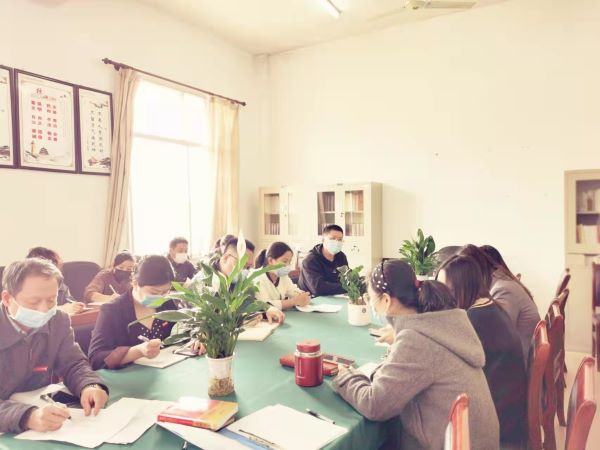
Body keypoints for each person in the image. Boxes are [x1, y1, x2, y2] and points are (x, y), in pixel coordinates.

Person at [332, 259, 499, 450]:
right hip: (474, 441)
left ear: (386, 300)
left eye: (370, 298)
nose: (370, 304)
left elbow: (375, 405)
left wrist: (346, 377)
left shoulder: (416, 340)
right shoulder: (440, 323)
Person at [0, 258, 108, 433]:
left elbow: (73, 363)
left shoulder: (58, 320)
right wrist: (27, 416)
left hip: (42, 411)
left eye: (51, 300)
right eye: (34, 302)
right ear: (6, 298)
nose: (44, 310)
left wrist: (90, 385)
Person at [437, 255, 527, 446]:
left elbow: (445, 363)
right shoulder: (488, 307)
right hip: (508, 412)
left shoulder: (475, 319)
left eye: (445, 290)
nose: (441, 297)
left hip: (498, 423)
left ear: (462, 287)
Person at [88, 255, 201, 370]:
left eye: (165, 292)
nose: (160, 297)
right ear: (135, 283)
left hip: (166, 372)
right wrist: (137, 351)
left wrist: (196, 339)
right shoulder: (112, 310)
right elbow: (95, 359)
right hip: (129, 376)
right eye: (154, 292)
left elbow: (183, 332)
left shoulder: (167, 304)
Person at [459, 244, 540, 361]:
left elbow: (498, 333)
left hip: (519, 360)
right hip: (522, 353)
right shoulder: (502, 282)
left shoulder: (503, 289)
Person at [191, 237, 285, 324]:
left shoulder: (238, 281)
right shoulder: (202, 281)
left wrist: (265, 310)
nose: (244, 270)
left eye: (248, 267)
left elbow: (248, 302)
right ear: (226, 258)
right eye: (242, 265)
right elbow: (201, 317)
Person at [26, 246, 85, 314]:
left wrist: (76, 306)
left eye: (59, 267)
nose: (59, 271)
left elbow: (70, 302)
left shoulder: (59, 285)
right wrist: (63, 309)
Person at [254, 242, 311, 310]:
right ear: (271, 261)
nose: (287, 265)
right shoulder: (257, 277)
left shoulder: (282, 276)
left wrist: (303, 296)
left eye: (289, 262)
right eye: (285, 261)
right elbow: (265, 305)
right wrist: (294, 301)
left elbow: (293, 291)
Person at [298, 224, 349, 296]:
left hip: (335, 296)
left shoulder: (341, 256)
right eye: (333, 239)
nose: (337, 242)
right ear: (323, 240)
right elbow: (318, 288)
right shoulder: (310, 260)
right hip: (311, 299)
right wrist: (347, 287)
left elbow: (348, 278)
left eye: (340, 239)